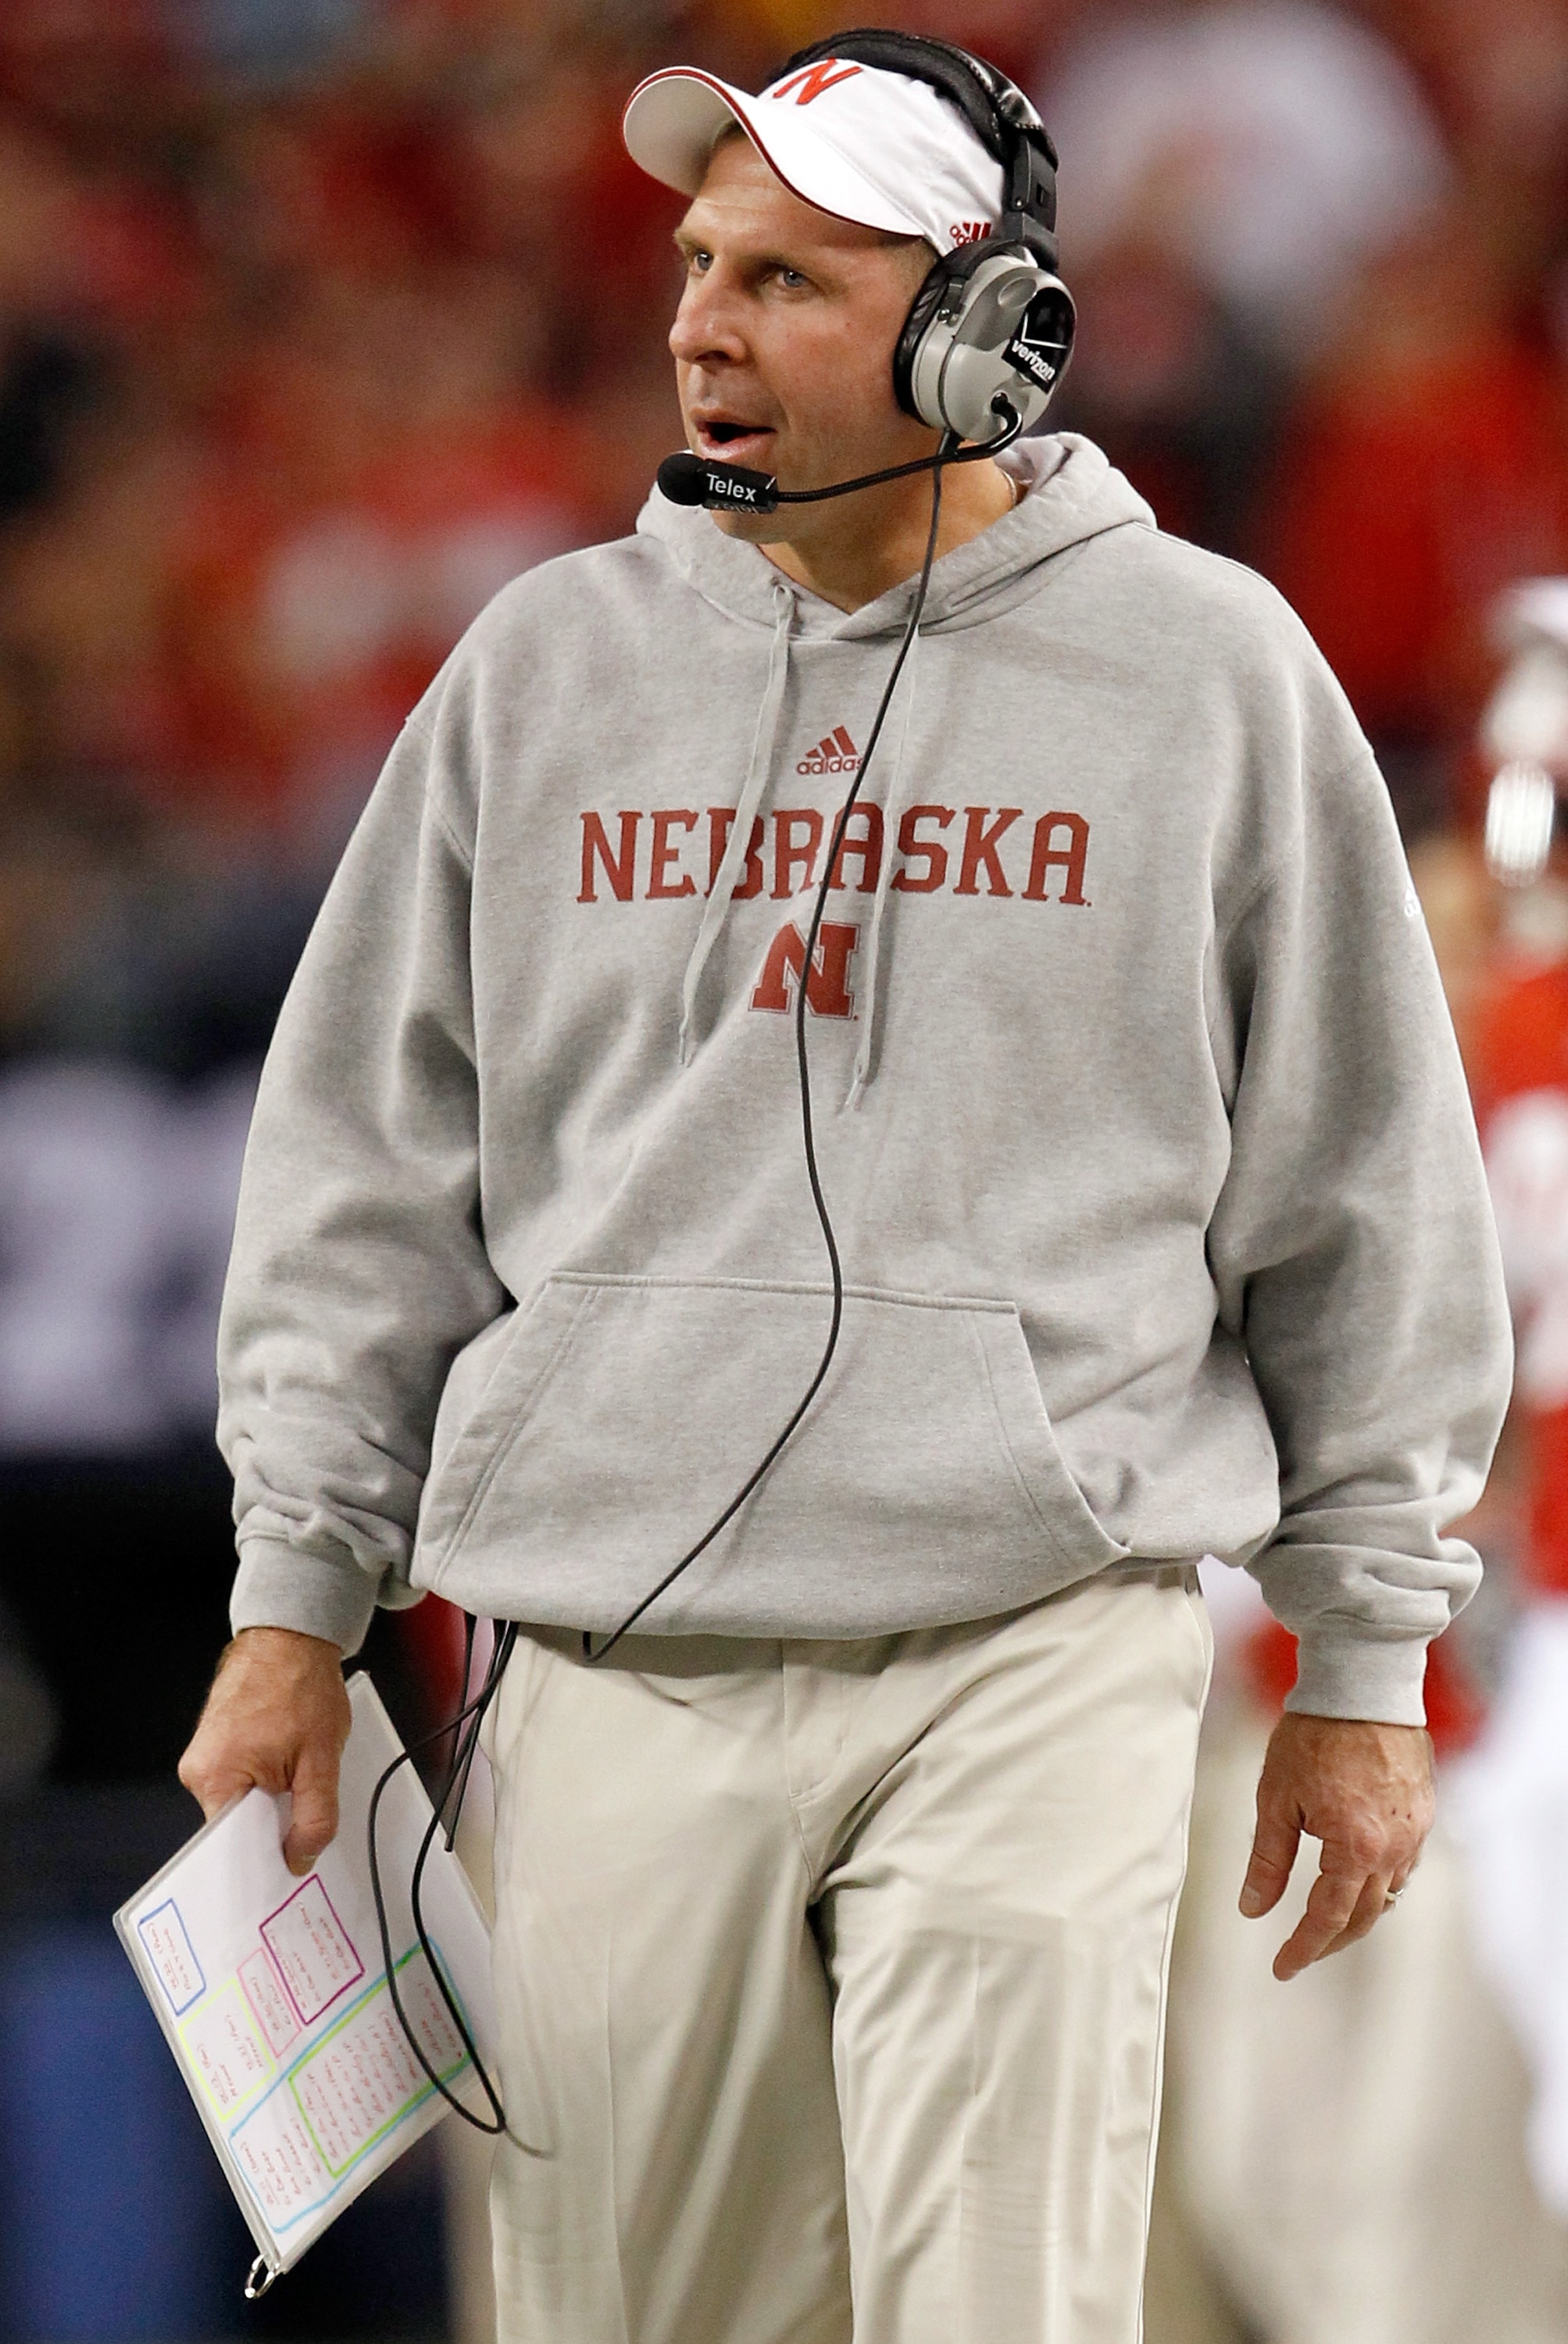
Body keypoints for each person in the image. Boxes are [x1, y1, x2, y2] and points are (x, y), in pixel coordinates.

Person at [178, 32, 1512, 2344]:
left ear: (982, 327)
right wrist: (293, 1603)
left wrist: (1367, 1654)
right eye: (698, 264)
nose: (700, 322)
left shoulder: (1206, 677)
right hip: (610, 1659)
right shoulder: (543, 674)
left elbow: (1368, 1196)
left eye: (789, 279)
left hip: (1037, 1637)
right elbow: (360, 1181)